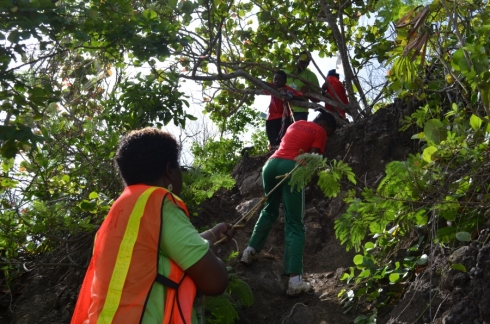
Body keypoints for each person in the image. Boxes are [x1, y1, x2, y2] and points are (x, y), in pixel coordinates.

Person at [71, 128, 234, 324]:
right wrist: (216, 259)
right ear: (169, 171)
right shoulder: (159, 203)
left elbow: (158, 253)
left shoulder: (118, 214)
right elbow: (215, 282)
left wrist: (212, 234)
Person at [240, 110, 337, 297]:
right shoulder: (320, 131)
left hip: (270, 165)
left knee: (269, 209)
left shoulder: (295, 124)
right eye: (330, 132)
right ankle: (295, 281)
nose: (328, 136)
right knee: (294, 222)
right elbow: (313, 157)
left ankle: (249, 251)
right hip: (291, 167)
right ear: (325, 124)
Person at [263, 70, 305, 148]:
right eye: (275, 79)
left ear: (285, 82)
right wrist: (276, 89)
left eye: (280, 80)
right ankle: (273, 150)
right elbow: (261, 83)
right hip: (271, 117)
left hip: (284, 117)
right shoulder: (272, 85)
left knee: (284, 138)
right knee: (272, 138)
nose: (277, 81)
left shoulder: (287, 89)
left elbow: (301, 98)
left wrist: (290, 96)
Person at [287, 51, 321, 121]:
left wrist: (308, 91)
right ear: (297, 58)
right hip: (283, 109)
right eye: (302, 61)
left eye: (307, 62)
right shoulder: (286, 71)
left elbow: (318, 99)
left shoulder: (312, 76)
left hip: (300, 111)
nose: (304, 64)